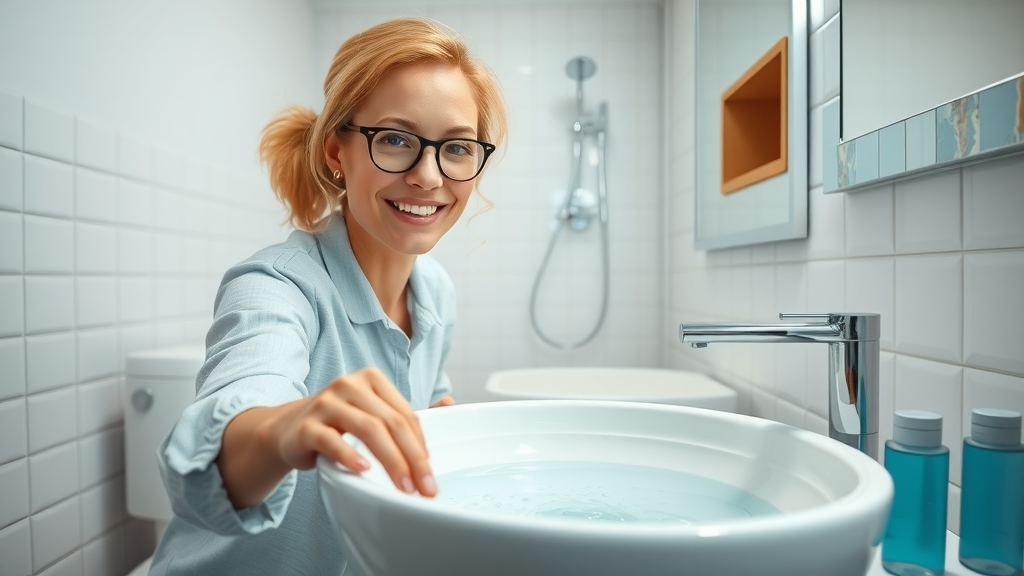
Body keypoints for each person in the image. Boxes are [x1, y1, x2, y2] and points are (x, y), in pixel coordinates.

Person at [149, 17, 507, 576]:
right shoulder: (276, 286)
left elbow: (424, 412)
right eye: (395, 139)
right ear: (337, 151)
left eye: (457, 147)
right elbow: (224, 436)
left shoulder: (436, 293)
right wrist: (283, 430)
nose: (428, 175)